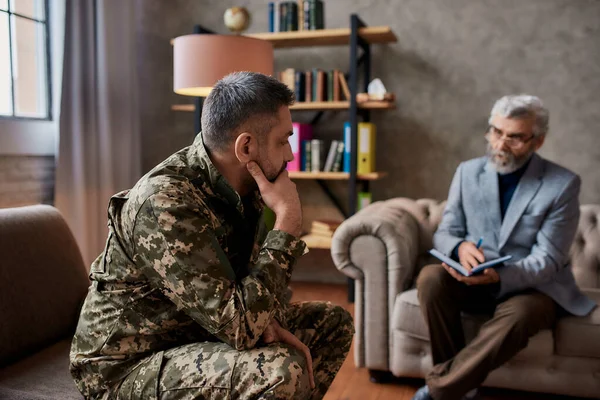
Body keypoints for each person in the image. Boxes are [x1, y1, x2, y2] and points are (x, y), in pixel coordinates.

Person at [69, 71, 354, 400]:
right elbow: (240, 327)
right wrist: (288, 222)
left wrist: (269, 319)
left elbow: (254, 291)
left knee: (333, 323)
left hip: (195, 332)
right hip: (124, 367)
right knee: (278, 372)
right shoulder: (166, 202)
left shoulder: (249, 188)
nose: (290, 154)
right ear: (245, 146)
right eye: (283, 140)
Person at [412, 95, 596, 400]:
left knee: (522, 313)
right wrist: (460, 248)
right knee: (431, 278)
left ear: (537, 141)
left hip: (534, 288)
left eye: (514, 137)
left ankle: (440, 390)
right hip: (473, 278)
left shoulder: (562, 184)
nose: (500, 144)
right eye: (496, 132)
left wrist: (498, 276)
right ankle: (460, 387)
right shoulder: (467, 172)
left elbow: (548, 259)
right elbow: (446, 231)